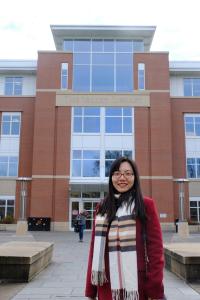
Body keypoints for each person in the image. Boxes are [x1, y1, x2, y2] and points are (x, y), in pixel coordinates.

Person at [85, 157, 165, 300]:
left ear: (135, 177)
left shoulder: (145, 205)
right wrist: (90, 292)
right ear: (111, 178)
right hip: (106, 284)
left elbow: (155, 250)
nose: (122, 178)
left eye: (128, 173)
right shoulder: (102, 207)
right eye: (117, 173)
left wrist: (155, 288)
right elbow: (94, 250)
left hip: (137, 284)